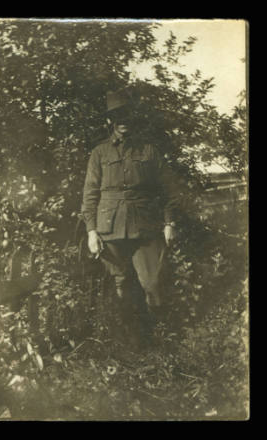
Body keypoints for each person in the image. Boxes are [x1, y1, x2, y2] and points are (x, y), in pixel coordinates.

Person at [81, 88, 187, 350]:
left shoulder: (149, 151)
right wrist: (91, 231)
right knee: (121, 287)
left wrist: (169, 222)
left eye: (127, 114)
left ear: (134, 118)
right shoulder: (99, 154)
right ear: (110, 121)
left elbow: (170, 190)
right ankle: (128, 346)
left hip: (146, 227)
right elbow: (89, 194)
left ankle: (160, 342)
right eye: (117, 116)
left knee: (152, 284)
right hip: (109, 229)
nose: (123, 120)